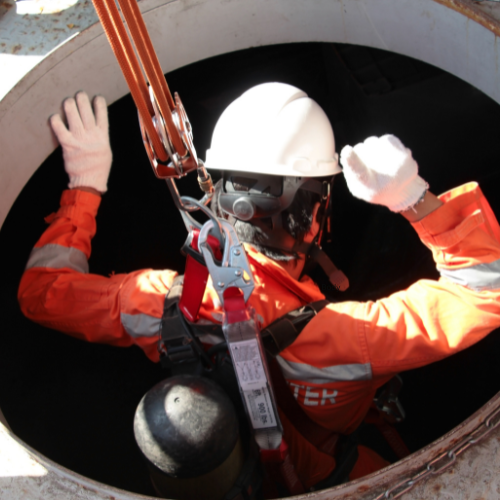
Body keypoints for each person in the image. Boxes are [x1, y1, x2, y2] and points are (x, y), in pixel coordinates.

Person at [18, 84, 500, 491]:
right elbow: (486, 290)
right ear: (310, 213)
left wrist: (84, 186)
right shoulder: (347, 337)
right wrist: (414, 199)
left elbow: (41, 292)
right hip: (332, 473)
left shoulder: (159, 302)